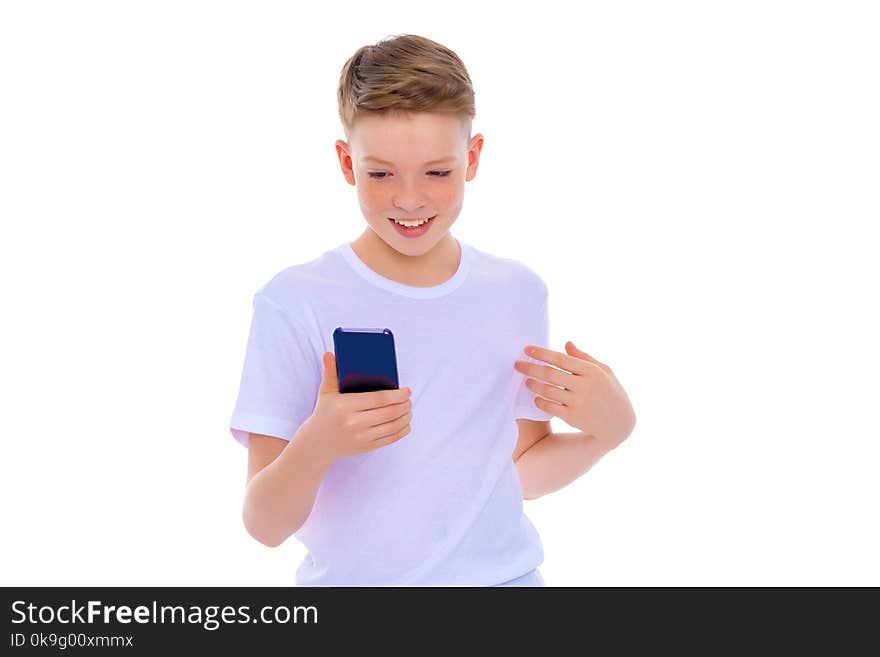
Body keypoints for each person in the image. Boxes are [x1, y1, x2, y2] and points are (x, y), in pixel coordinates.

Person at [229, 34, 636, 587]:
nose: (410, 198)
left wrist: (605, 434)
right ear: (347, 163)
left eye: (437, 173)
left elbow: (519, 473)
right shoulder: (295, 301)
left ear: (472, 159)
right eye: (381, 173)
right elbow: (264, 526)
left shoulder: (516, 293)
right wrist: (318, 443)